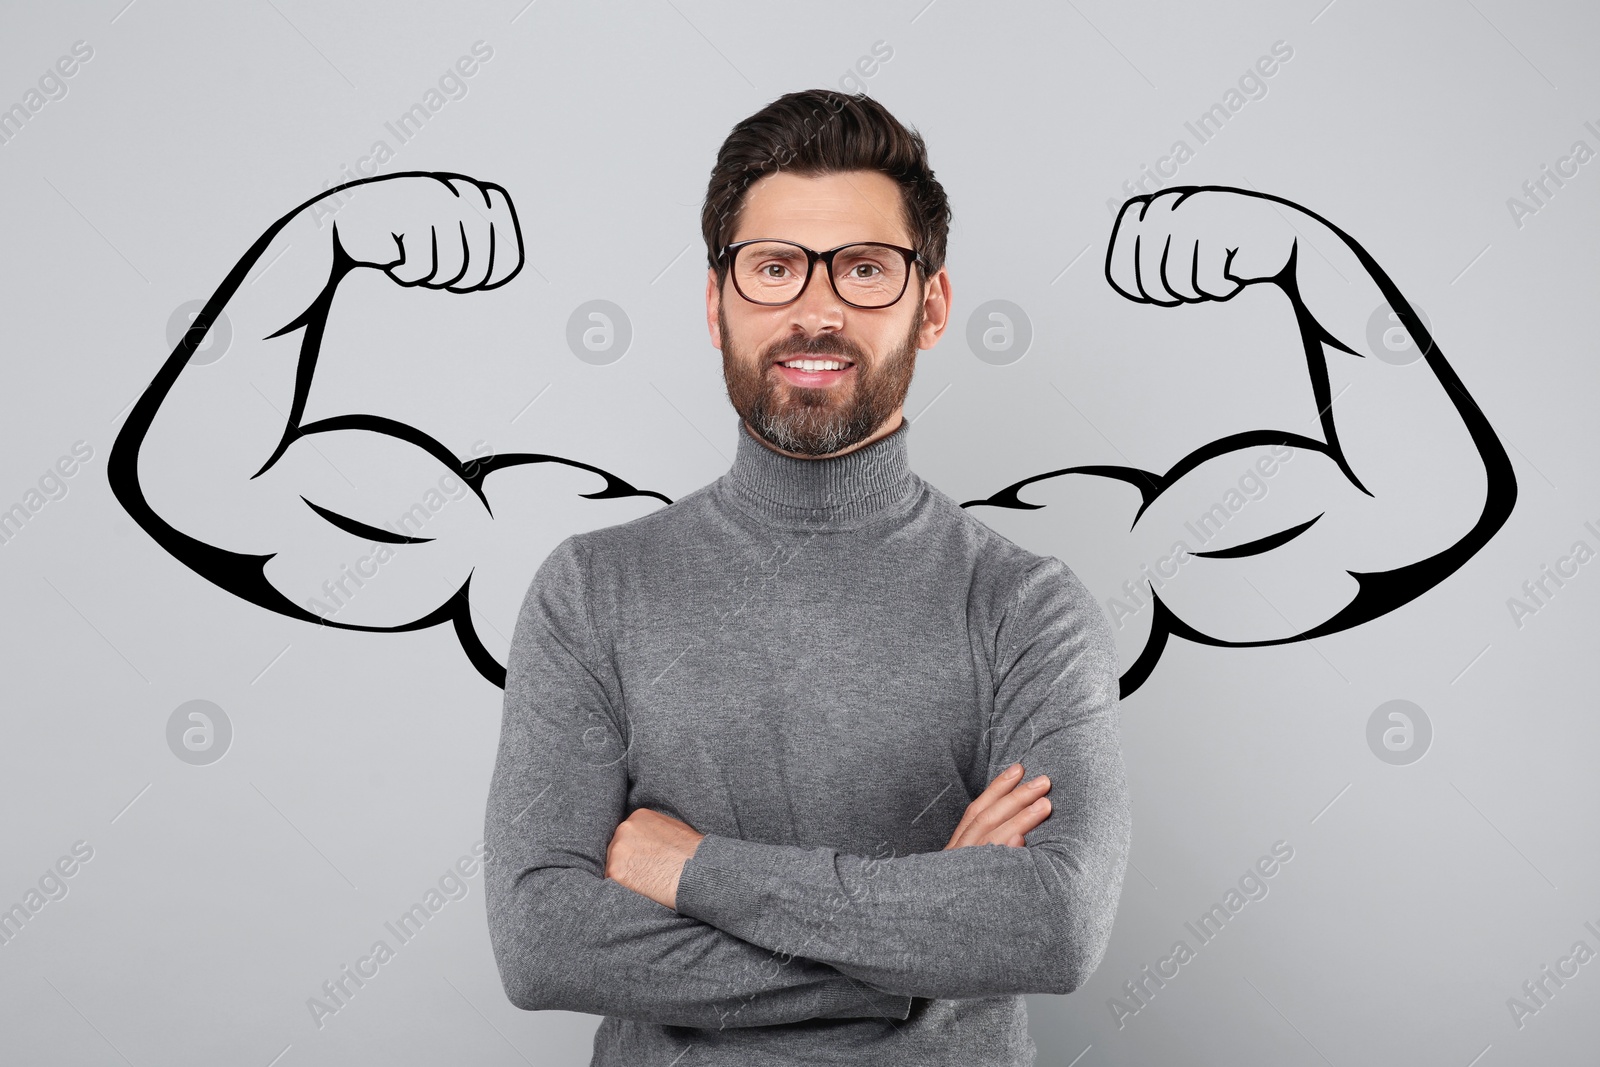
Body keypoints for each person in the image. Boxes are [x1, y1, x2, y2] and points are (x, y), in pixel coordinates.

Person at [483, 89, 1132, 1066]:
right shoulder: (592, 590)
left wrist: (693, 866)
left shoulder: (1028, 609)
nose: (817, 309)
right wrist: (914, 945)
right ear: (716, 303)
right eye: (774, 267)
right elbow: (543, 940)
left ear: (931, 304)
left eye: (865, 269)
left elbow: (1050, 924)